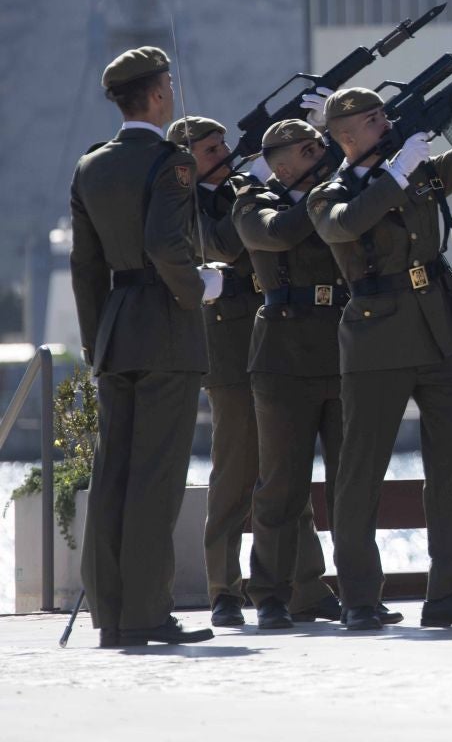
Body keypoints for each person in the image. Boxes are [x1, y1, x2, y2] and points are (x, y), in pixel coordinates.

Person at [307, 77, 452, 631]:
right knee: (361, 472)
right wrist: (393, 175)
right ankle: (360, 599)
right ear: (346, 137)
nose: (386, 126)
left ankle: (449, 595)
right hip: (376, 334)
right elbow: (346, 225)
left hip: (438, 329)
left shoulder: (416, 170)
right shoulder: (330, 192)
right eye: (373, 122)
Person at [69, 46, 217, 647]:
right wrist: (200, 288)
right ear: (155, 96)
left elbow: (86, 265)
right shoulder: (170, 161)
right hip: (164, 326)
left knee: (114, 477)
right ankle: (146, 614)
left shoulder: (91, 165)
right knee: (156, 477)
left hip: (115, 331)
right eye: (169, 87)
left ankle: (112, 614)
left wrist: (94, 341)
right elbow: (164, 244)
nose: (173, 95)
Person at [171, 113, 325, 627]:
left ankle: (305, 585)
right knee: (235, 473)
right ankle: (224, 588)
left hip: (279, 339)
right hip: (231, 347)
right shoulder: (181, 204)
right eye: (211, 150)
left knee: (287, 470)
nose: (224, 155)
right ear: (186, 161)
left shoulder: (249, 187)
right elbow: (222, 244)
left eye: (222, 145)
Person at [232, 117, 349, 628]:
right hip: (284, 358)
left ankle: (354, 592)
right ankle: (271, 595)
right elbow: (279, 235)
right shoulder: (254, 203)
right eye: (309, 151)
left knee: (352, 483)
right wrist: (330, 191)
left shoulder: (337, 195)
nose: (322, 155)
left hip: (343, 351)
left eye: (321, 146)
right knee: (281, 487)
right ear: (281, 165)